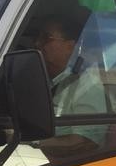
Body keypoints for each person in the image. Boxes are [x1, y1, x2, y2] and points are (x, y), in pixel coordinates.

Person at [32, 16, 109, 157]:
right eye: (38, 38)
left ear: (70, 46)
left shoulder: (88, 86)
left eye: (46, 38)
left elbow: (82, 142)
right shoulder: (49, 81)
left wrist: (32, 143)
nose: (37, 43)